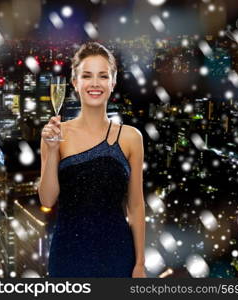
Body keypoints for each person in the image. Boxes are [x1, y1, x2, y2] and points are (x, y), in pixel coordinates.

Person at [38, 42, 146, 278]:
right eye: (87, 76)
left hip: (118, 254)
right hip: (67, 256)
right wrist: (51, 148)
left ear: (112, 83)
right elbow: (47, 198)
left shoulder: (130, 137)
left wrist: (140, 264)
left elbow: (136, 205)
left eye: (103, 76)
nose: (95, 83)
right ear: (75, 83)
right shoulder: (54, 134)